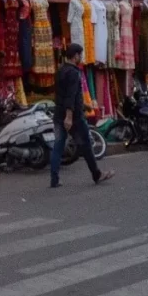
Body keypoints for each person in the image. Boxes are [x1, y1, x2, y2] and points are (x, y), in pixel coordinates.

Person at [51, 43, 114, 188]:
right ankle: (96, 174)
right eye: (80, 55)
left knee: (58, 145)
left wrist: (84, 105)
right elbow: (71, 95)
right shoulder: (74, 73)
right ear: (75, 56)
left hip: (59, 113)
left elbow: (63, 95)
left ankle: (54, 179)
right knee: (86, 145)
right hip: (73, 117)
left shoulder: (60, 70)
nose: (81, 57)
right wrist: (69, 116)